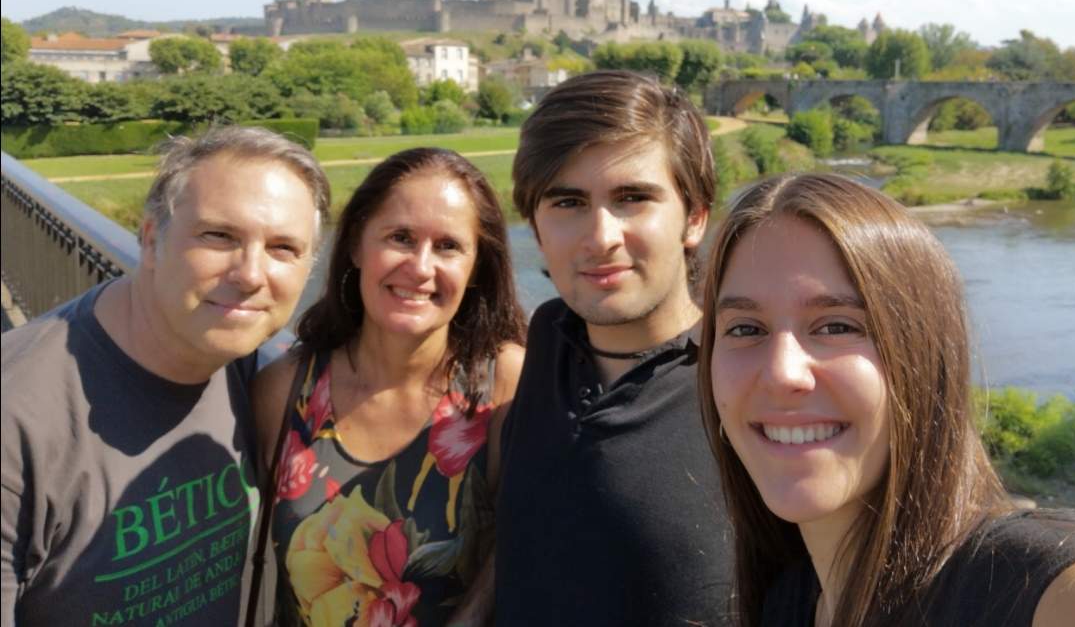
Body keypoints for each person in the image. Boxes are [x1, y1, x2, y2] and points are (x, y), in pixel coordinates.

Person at [699, 173, 1075, 627]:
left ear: (924, 355)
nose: (783, 373)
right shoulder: (785, 603)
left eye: (837, 326)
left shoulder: (1041, 593)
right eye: (745, 328)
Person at [1, 126, 330, 626]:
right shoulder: (18, 417)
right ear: (151, 238)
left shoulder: (240, 357)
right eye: (219, 236)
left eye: (284, 247)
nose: (251, 274)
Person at [494, 70, 734, 626]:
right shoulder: (550, 336)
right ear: (534, 227)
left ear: (694, 218)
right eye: (568, 201)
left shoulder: (742, 380)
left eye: (631, 198)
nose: (601, 237)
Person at [253, 147, 526, 626]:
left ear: (477, 266)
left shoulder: (505, 384)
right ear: (357, 243)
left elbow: (525, 539)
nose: (420, 268)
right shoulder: (284, 389)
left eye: (448, 246)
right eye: (400, 238)